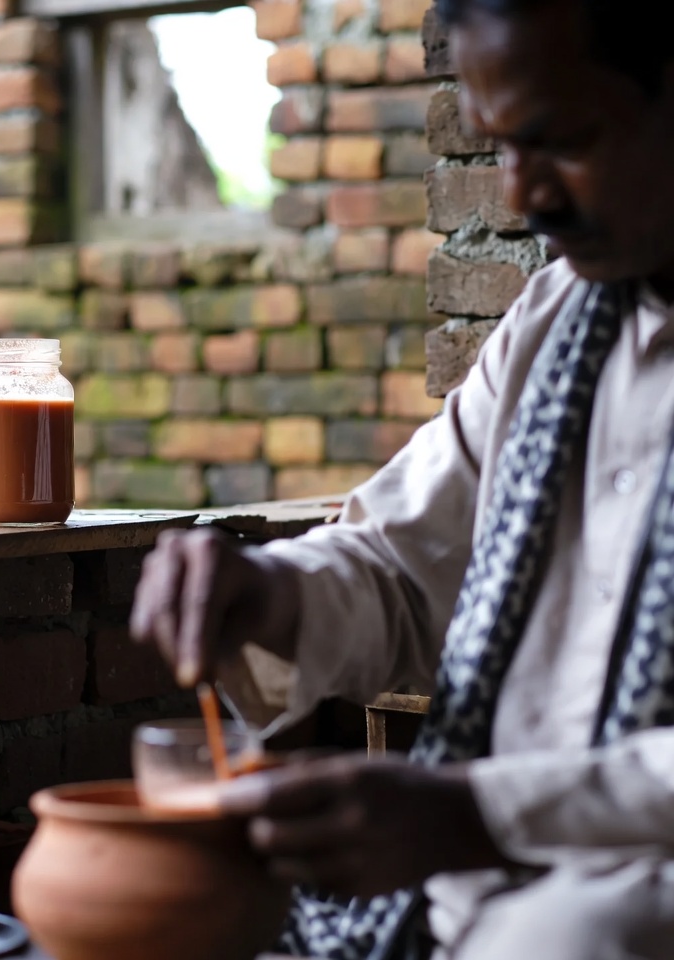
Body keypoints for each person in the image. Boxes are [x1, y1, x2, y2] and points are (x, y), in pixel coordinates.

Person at [130, 1, 674, 958]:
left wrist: (474, 814)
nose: (524, 195)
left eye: (564, 140)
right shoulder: (556, 323)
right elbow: (403, 567)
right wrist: (270, 592)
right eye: (503, 146)